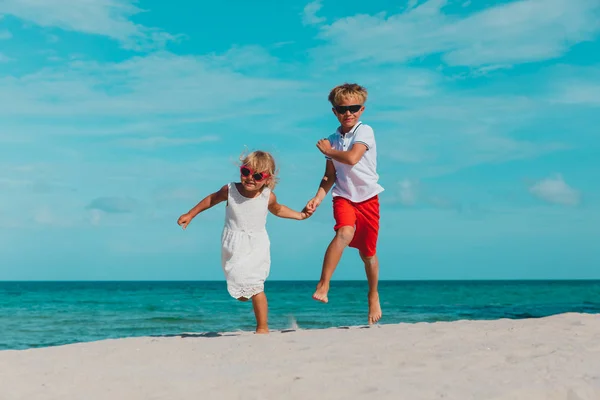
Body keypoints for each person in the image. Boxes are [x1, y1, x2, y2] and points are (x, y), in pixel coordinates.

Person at [177, 150, 311, 334]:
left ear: (267, 179)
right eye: (246, 172)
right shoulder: (230, 190)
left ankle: (262, 327)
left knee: (256, 285)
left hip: (257, 244)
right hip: (233, 244)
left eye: (257, 176)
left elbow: (278, 210)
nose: (250, 178)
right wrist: (190, 214)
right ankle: (246, 296)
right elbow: (211, 199)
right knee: (240, 291)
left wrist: (300, 215)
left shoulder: (267, 196)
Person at [305, 83, 384, 325]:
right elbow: (330, 175)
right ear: (334, 111)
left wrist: (328, 151)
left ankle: (373, 294)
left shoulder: (365, 131)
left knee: (368, 254)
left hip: (368, 198)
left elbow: (351, 158)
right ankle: (324, 282)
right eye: (342, 109)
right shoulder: (332, 140)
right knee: (344, 232)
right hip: (344, 196)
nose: (348, 113)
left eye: (354, 108)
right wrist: (317, 197)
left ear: (362, 109)